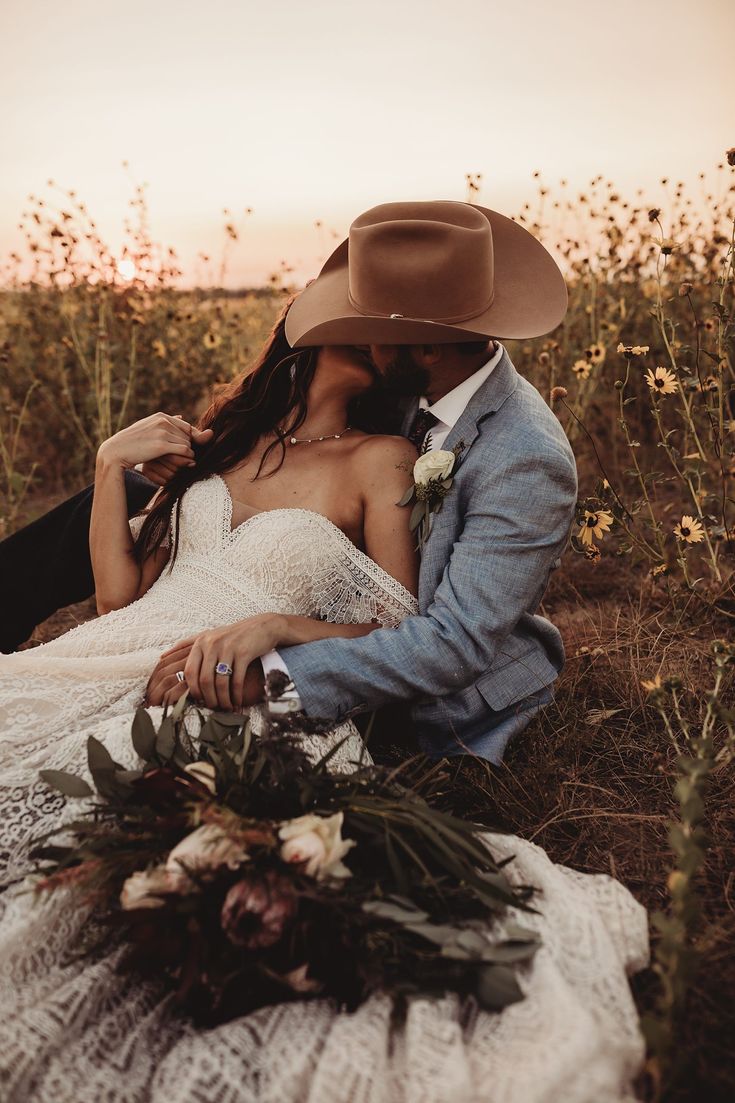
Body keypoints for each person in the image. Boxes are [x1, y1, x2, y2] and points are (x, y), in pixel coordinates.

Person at [0, 200, 649, 1102]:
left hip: (272, 674)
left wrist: (271, 648)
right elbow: (121, 598)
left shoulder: (454, 455)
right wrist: (114, 462)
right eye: (346, 319)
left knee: (102, 801)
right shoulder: (242, 444)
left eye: (372, 321)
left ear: (413, 340)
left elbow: (437, 632)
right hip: (127, 638)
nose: (360, 329)